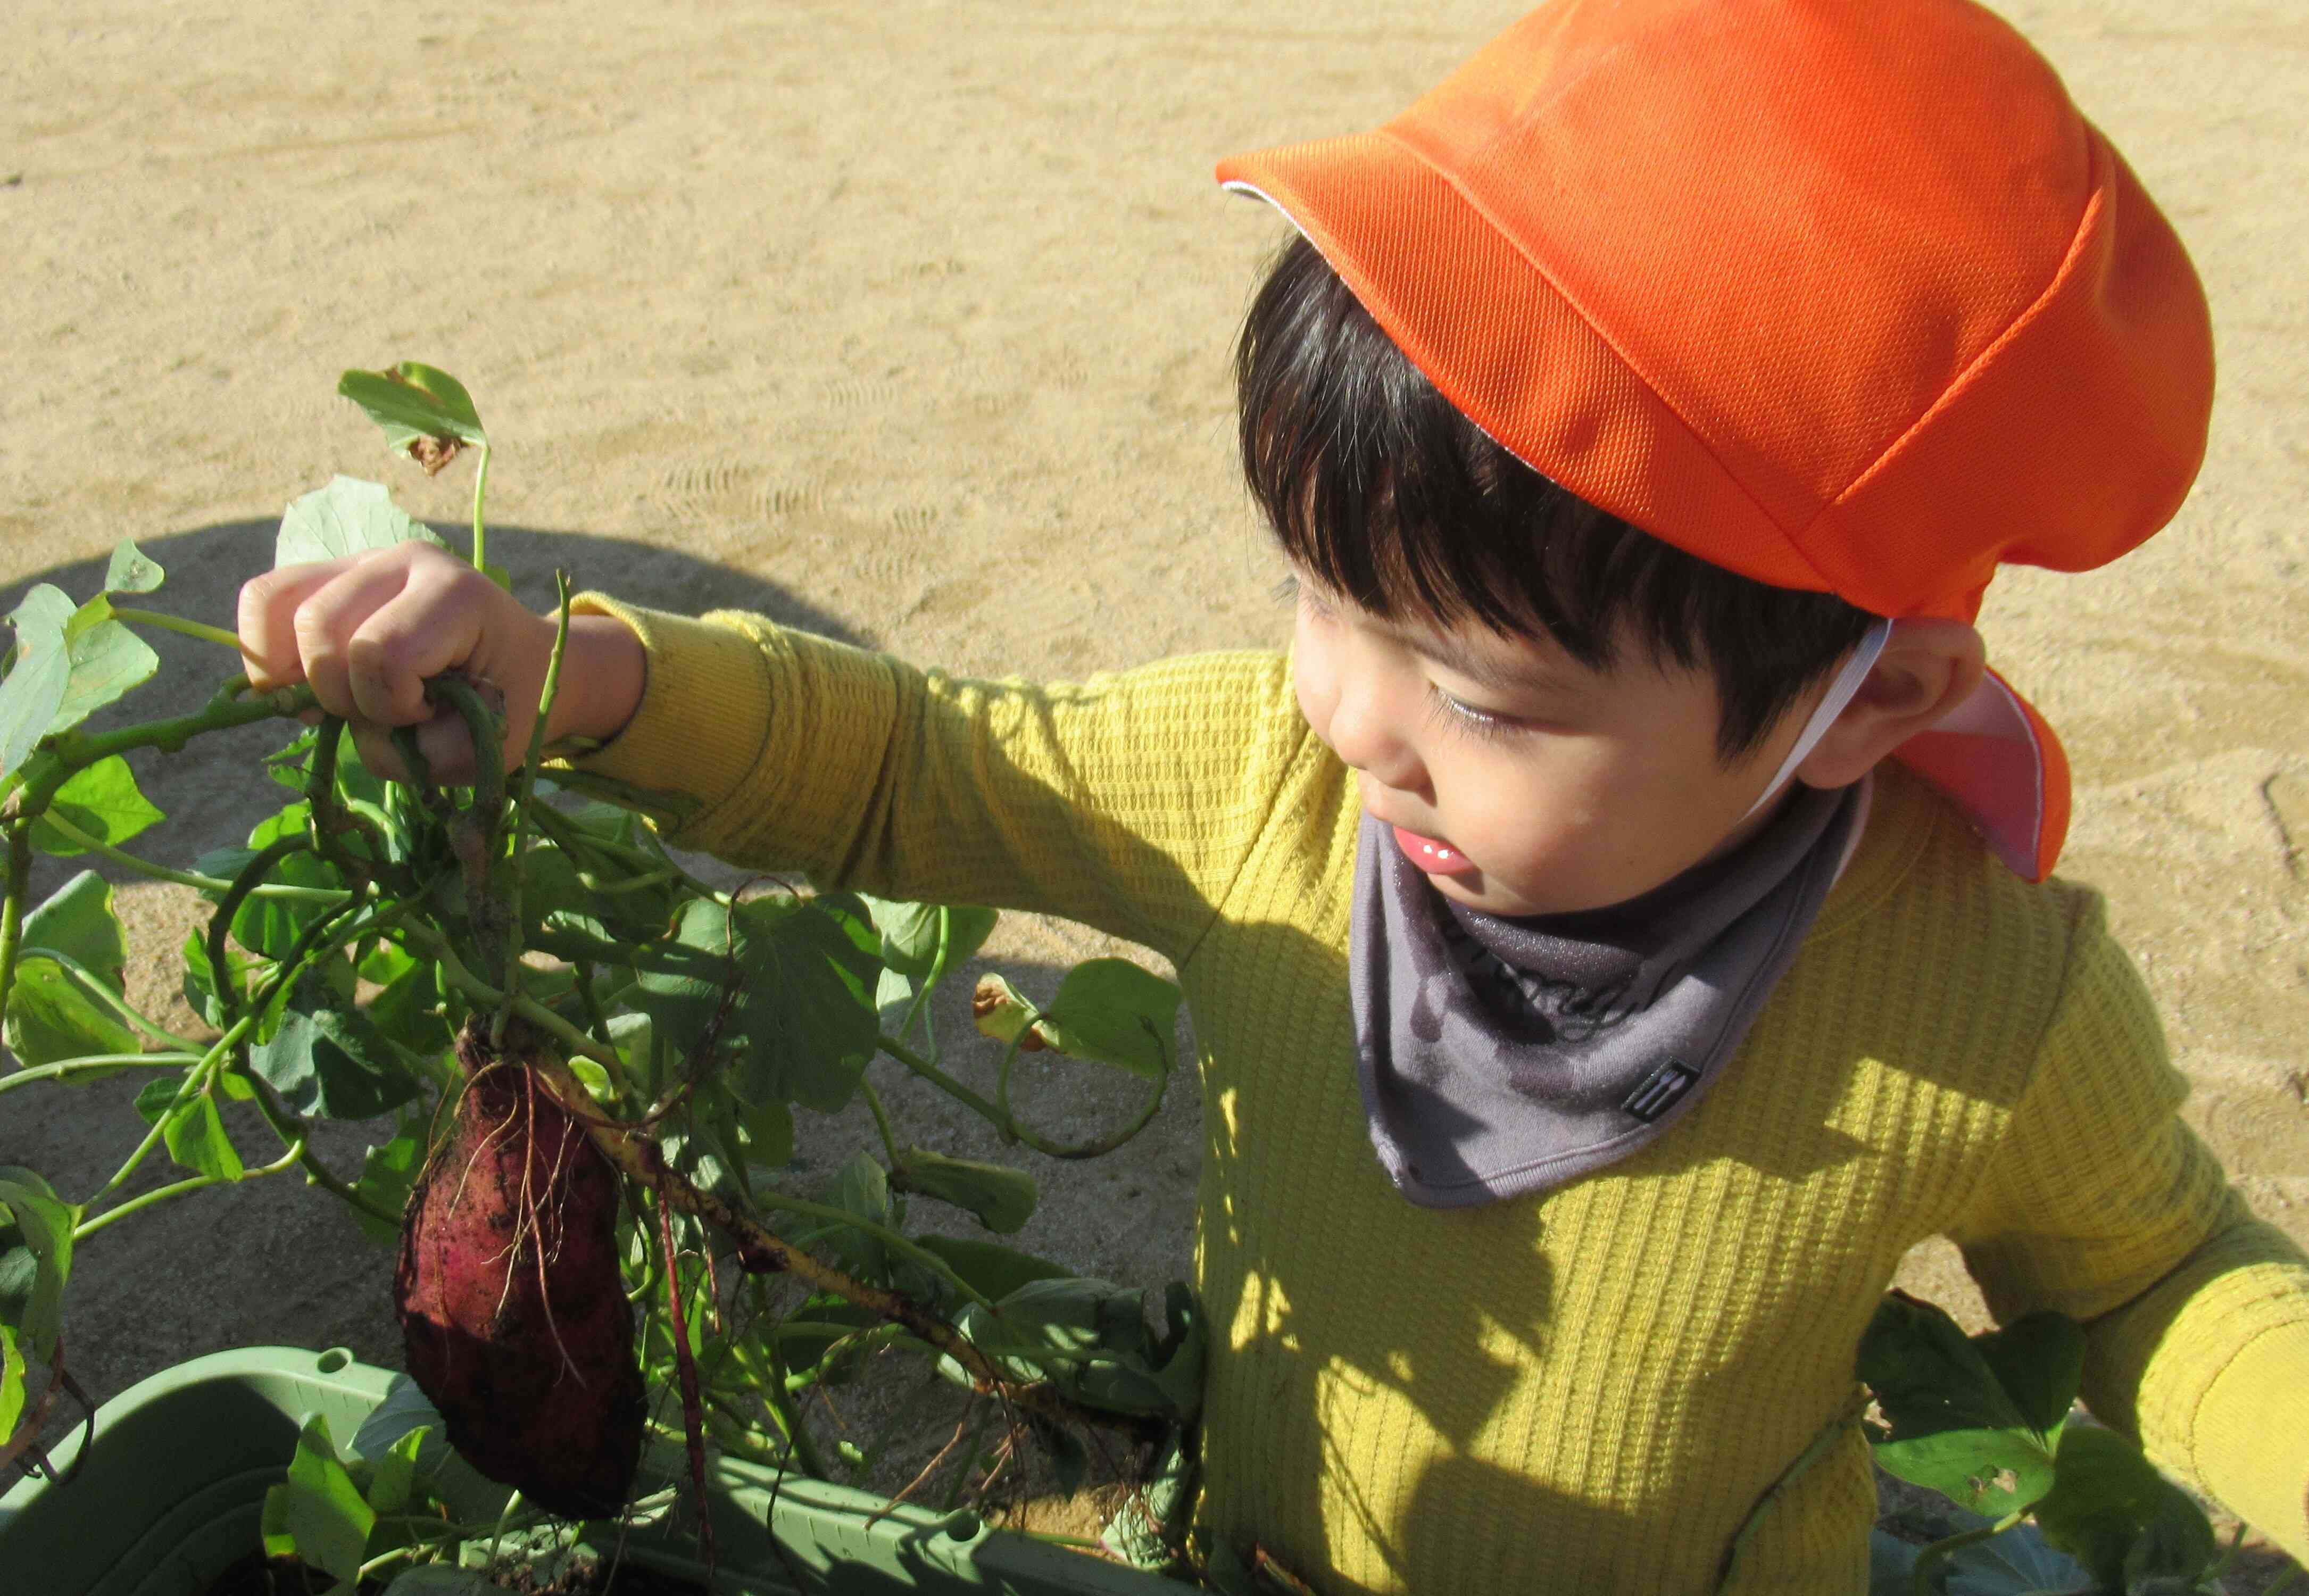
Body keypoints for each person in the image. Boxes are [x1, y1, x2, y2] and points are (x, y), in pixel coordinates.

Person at [237, 0, 2309, 1589]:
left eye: (1482, 694)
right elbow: (908, 767)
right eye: (1321, 598)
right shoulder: (1258, 781)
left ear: (1870, 702)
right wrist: (564, 674)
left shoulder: (1975, 993)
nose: (1347, 713)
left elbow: (2142, 1278)